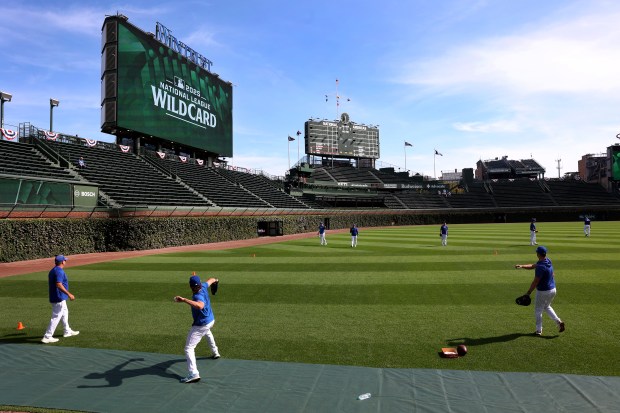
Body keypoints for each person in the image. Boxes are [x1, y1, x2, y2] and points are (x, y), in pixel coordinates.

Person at [175, 274, 220, 384]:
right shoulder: (204, 286)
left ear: (190, 286)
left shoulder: (197, 296)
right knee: (207, 332)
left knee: (188, 348)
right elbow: (211, 279)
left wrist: (184, 300)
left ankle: (194, 373)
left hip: (201, 324)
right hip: (210, 320)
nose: (195, 288)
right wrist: (216, 280)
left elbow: (200, 305)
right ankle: (215, 352)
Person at [514, 246, 565, 336]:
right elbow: (534, 266)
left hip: (543, 292)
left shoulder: (541, 267)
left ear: (538, 254)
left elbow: (535, 281)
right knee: (547, 306)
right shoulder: (547, 260)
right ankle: (558, 321)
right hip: (553, 289)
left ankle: (538, 330)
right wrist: (522, 266)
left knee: (538, 310)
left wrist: (528, 293)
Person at [42, 255, 79, 344]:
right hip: (59, 297)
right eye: (65, 260)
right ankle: (47, 336)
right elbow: (58, 284)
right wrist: (69, 294)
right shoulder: (59, 271)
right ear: (62, 262)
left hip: (58, 297)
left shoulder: (53, 270)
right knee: (56, 316)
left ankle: (67, 331)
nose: (65, 261)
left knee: (64, 313)